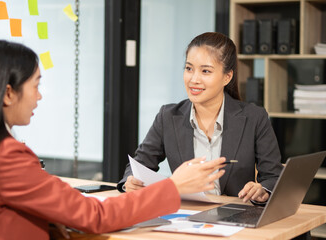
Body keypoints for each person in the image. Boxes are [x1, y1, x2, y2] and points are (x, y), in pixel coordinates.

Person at [0, 40, 226, 240]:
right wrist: (173, 186)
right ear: (9, 94)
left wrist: (45, 212)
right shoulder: (4, 156)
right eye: (36, 85)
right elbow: (96, 216)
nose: (39, 97)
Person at [118, 32, 284, 205]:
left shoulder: (254, 118)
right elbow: (139, 165)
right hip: (185, 214)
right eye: (189, 68)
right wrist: (130, 181)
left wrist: (263, 190)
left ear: (227, 77)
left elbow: (273, 177)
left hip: (235, 215)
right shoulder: (168, 116)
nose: (194, 79)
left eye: (205, 71)